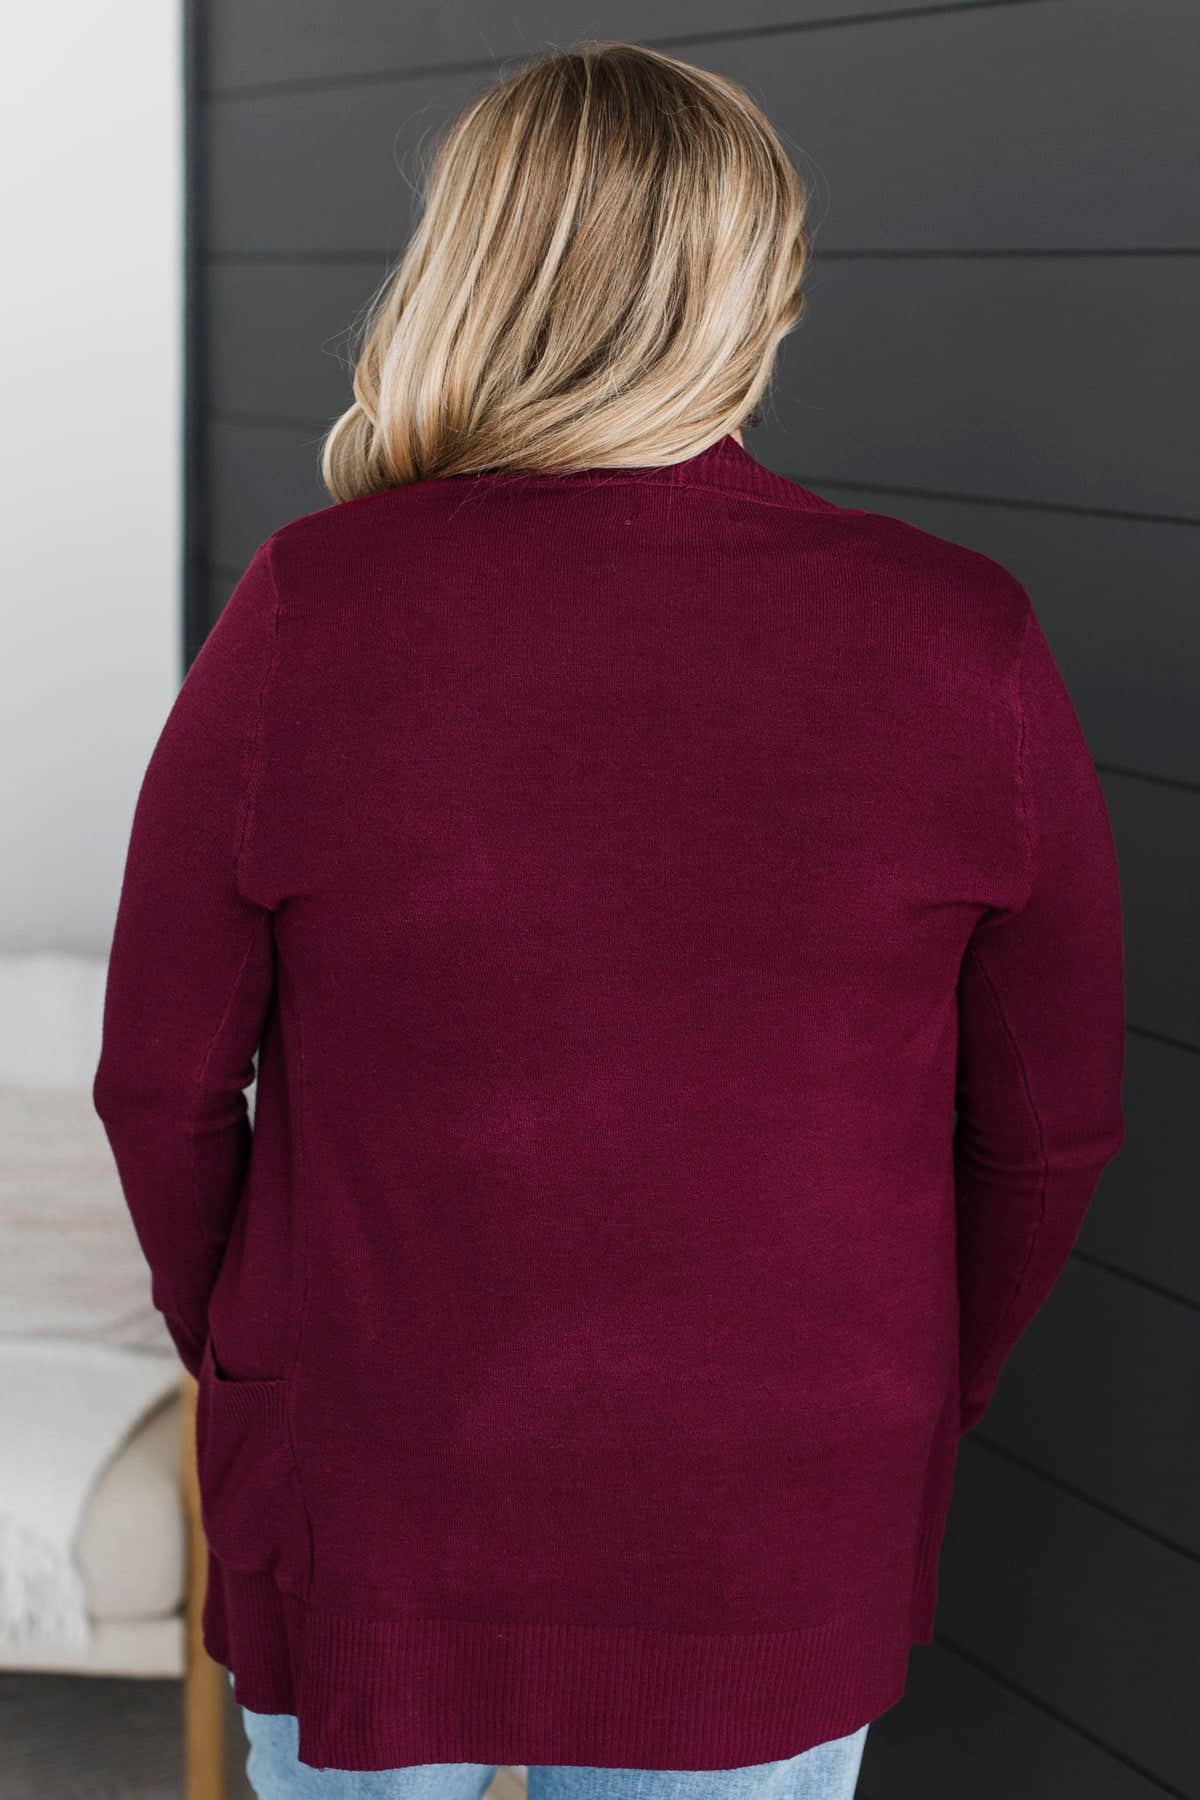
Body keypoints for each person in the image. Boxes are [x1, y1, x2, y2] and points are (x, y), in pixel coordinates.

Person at [92, 37, 1126, 1800]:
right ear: (763, 288)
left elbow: (161, 1090)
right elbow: (1046, 1138)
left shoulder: (313, 610)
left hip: (379, 1479)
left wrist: (257, 1356)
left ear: (467, 268)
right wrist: (901, 1390)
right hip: (778, 1500)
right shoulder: (961, 637)